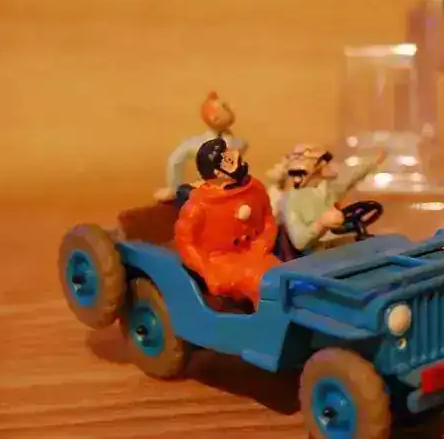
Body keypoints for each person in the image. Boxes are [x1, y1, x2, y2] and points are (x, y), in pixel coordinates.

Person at [173, 137, 278, 309]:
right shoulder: (198, 206)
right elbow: (186, 243)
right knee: (262, 284)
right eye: (227, 158)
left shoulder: (255, 188)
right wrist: (207, 270)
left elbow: (268, 220)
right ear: (217, 172)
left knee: (282, 277)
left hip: (256, 252)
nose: (236, 158)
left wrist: (262, 245)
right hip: (220, 261)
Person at [275, 145, 387, 258]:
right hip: (316, 257)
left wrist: (373, 161)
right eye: (326, 162)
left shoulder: (328, 189)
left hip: (334, 246)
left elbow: (352, 176)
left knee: (375, 245)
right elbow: (299, 242)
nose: (331, 166)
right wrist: (322, 224)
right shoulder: (291, 200)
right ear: (316, 166)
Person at [153, 91, 247, 204]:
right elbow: (174, 160)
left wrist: (174, 187)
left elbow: (174, 160)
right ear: (215, 118)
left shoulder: (234, 142)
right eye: (226, 107)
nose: (232, 107)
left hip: (229, 190)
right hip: (211, 192)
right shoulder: (202, 144)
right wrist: (174, 187)